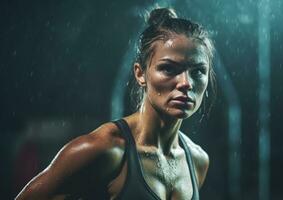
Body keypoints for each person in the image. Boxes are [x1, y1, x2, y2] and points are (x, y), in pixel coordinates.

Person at [16, 7, 216, 200]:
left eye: (198, 71)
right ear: (140, 74)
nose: (185, 83)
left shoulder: (198, 161)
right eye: (169, 69)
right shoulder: (105, 150)